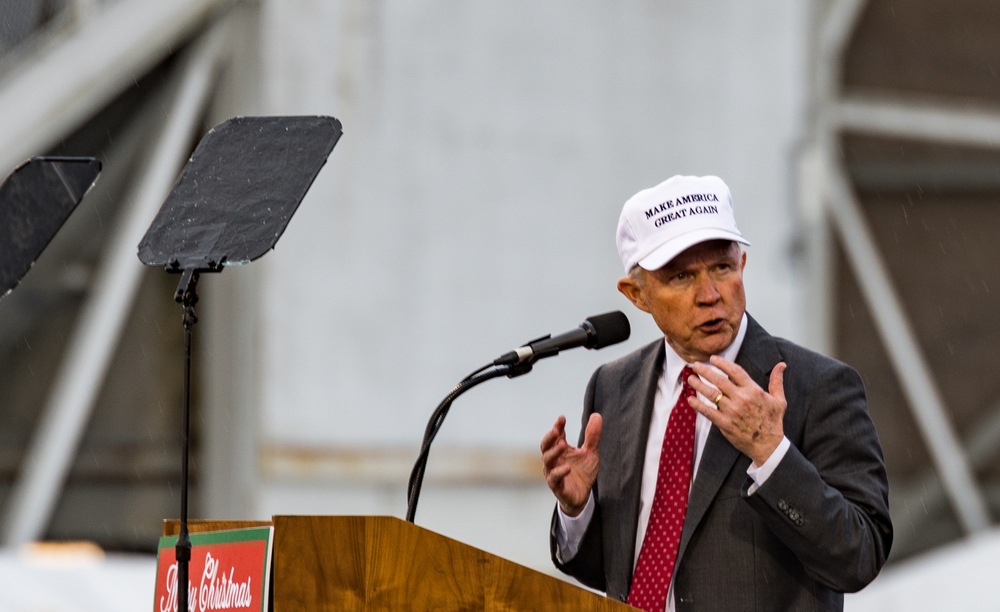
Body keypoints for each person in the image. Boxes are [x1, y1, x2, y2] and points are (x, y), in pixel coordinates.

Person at [540, 175, 892, 612]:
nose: (710, 295)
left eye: (722, 268)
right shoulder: (613, 388)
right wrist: (578, 513)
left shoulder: (818, 385)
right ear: (637, 295)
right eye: (681, 276)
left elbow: (860, 557)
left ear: (742, 264)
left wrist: (771, 453)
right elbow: (620, 571)